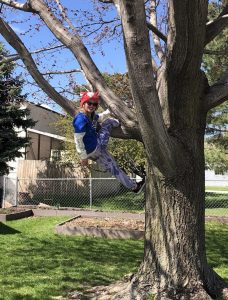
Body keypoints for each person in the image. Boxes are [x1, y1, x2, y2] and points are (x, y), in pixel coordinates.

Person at [73, 91, 145, 193]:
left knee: (114, 168)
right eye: (89, 103)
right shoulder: (80, 118)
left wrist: (108, 111)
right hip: (97, 147)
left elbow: (100, 117)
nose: (92, 106)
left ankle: (134, 187)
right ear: (83, 103)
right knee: (108, 122)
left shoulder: (91, 115)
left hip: (93, 152)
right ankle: (121, 123)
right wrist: (83, 157)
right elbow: (78, 139)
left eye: (94, 104)